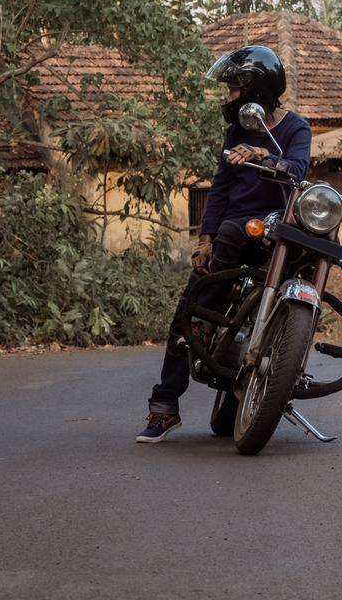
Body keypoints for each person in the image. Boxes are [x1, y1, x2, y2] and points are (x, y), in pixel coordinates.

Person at [136, 44, 311, 443]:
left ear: (256, 91)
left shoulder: (295, 128)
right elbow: (220, 188)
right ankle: (164, 409)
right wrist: (206, 237)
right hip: (234, 233)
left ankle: (288, 351)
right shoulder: (235, 131)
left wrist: (265, 155)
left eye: (233, 89)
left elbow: (299, 168)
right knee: (191, 309)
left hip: (274, 231)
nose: (228, 96)